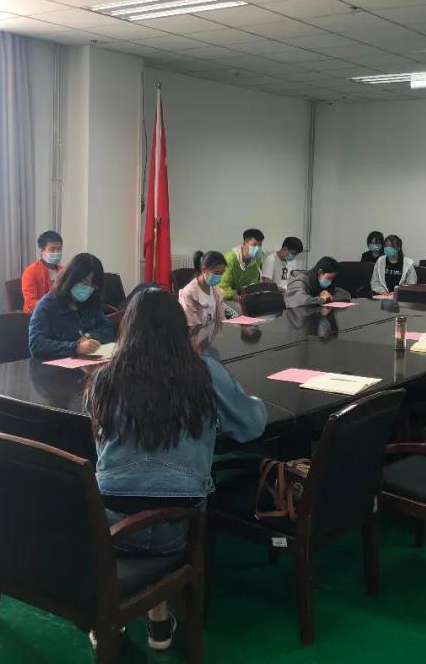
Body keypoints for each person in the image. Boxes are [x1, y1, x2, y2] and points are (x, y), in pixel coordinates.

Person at [88, 289, 267, 650]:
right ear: (181, 328)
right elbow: (251, 426)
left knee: (135, 494)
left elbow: (104, 452)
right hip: (178, 524)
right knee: (162, 501)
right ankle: (158, 620)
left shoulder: (104, 378)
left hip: (112, 526)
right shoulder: (204, 372)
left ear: (128, 328)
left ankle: (119, 617)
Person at [28, 252, 116, 359]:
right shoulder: (46, 305)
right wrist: (75, 347)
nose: (88, 289)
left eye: (93, 285)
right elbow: (36, 344)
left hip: (87, 362)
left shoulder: (91, 302)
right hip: (56, 366)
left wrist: (88, 336)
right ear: (70, 278)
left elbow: (108, 330)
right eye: (84, 282)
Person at [178, 250, 226, 344]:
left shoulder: (216, 291)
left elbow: (221, 319)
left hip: (212, 339)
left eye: (222, 274)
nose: (219, 277)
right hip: (195, 342)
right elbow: (192, 327)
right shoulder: (188, 294)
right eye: (217, 273)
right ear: (204, 269)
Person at [284, 256, 353, 309]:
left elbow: (346, 295)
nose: (330, 282)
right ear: (320, 272)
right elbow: (301, 301)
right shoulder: (299, 282)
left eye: (333, 279)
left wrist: (330, 297)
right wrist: (322, 299)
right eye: (329, 278)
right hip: (299, 320)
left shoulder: (321, 283)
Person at [20, 230, 63, 315]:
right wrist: (53, 309)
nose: (56, 253)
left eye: (59, 249)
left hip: (59, 314)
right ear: (42, 250)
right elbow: (31, 302)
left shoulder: (63, 271)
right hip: (35, 316)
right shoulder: (31, 271)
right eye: (52, 249)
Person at [219, 228, 265, 300]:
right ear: (244, 244)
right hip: (227, 297)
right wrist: (235, 296)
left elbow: (253, 282)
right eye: (254, 245)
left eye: (259, 245)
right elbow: (222, 287)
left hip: (244, 295)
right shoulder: (230, 258)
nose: (257, 248)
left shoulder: (257, 258)